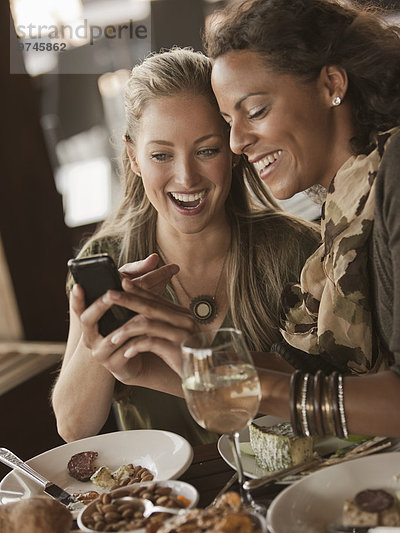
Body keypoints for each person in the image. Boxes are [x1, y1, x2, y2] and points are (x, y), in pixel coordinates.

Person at [52, 47, 319, 445]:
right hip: (161, 501)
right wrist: (102, 340)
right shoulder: (103, 259)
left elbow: (321, 401)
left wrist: (171, 361)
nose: (186, 176)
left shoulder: (299, 250)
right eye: (161, 155)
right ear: (134, 157)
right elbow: (73, 427)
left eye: (207, 150)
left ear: (233, 151)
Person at [200, 0, 400, 437]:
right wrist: (185, 351)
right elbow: (325, 380)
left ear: (331, 84)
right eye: (227, 121)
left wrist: (259, 390)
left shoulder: (395, 178)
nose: (236, 142)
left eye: (254, 111)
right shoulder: (342, 210)